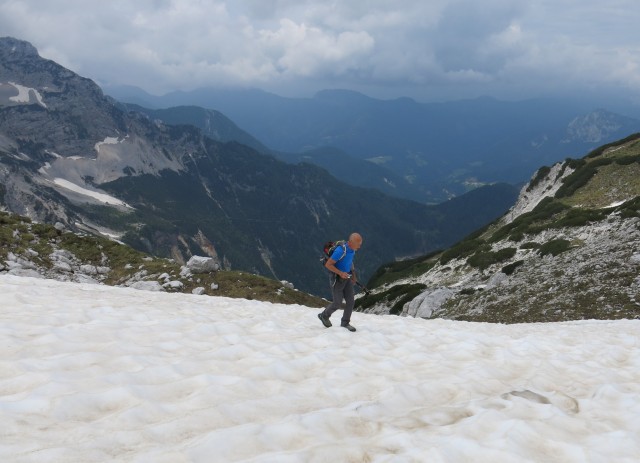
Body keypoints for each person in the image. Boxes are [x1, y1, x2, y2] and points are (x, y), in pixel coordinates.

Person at [318, 232, 362, 332]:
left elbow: (350, 262)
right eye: (358, 243)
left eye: (360, 243)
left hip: (347, 277)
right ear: (351, 242)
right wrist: (340, 273)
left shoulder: (352, 250)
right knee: (337, 303)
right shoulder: (340, 251)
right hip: (337, 279)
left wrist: (354, 275)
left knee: (350, 301)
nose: (360, 246)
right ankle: (324, 316)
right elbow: (328, 265)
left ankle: (345, 322)